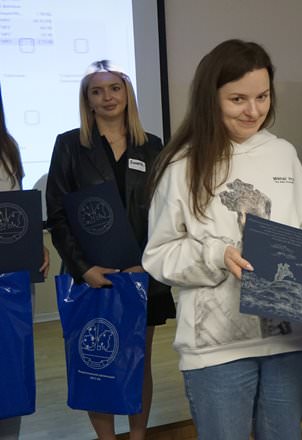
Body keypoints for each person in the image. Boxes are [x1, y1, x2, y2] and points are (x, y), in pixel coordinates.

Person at [142, 39, 302, 440]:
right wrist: (216, 254)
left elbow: (295, 219)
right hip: (216, 346)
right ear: (210, 98)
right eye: (238, 99)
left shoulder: (282, 153)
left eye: (262, 97)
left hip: (286, 338)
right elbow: (159, 254)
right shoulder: (183, 164)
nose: (253, 110)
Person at [45, 61, 176, 440]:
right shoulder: (69, 145)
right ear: (87, 100)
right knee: (96, 363)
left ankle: (138, 437)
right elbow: (57, 214)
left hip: (142, 275)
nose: (107, 97)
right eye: (97, 91)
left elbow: (167, 211)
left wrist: (148, 263)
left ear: (127, 94)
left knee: (138, 361)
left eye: (115, 88)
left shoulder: (152, 146)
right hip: (92, 275)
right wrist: (83, 268)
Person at [0, 84, 49, 440]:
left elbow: (18, 209)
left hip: (12, 279)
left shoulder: (8, 146)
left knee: (11, 370)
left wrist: (35, 244)